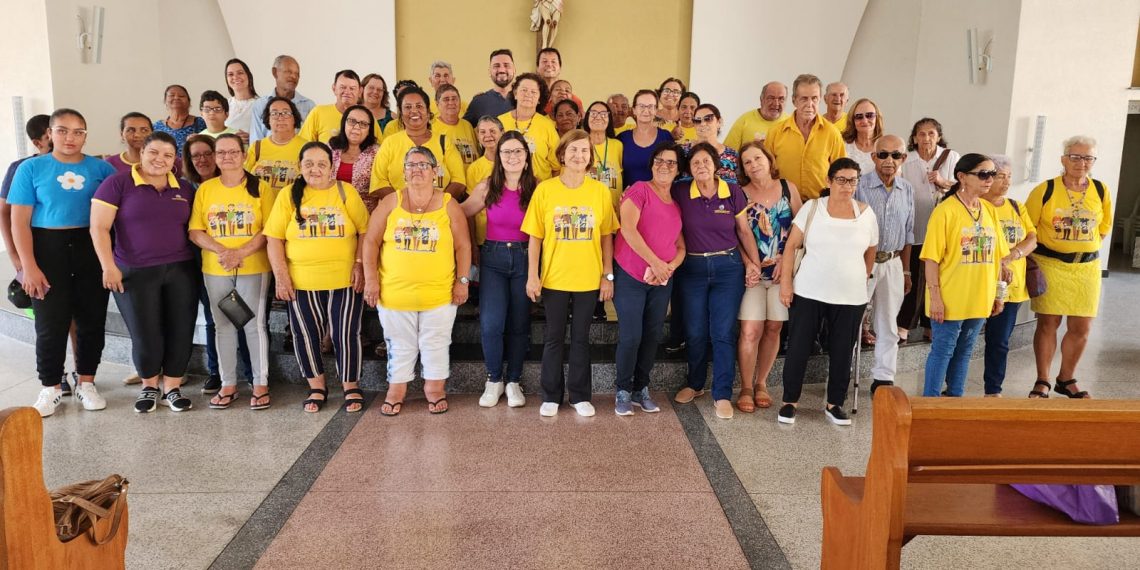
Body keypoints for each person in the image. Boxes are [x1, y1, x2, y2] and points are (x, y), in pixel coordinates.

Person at [9, 109, 115, 417]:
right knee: (50, 322)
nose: (71, 138)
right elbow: (19, 222)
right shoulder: (31, 169)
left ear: (86, 135)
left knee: (91, 319)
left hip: (90, 248)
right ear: (49, 134)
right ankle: (51, 387)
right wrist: (27, 265)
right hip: (47, 248)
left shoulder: (102, 169)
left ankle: (87, 382)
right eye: (63, 131)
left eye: (78, 131)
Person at [90, 131, 198, 413]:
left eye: (167, 155)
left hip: (180, 269)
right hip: (134, 270)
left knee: (180, 328)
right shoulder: (118, 183)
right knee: (145, 331)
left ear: (175, 159)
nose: (159, 159)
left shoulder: (184, 189)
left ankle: (172, 388)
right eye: (153, 153)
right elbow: (99, 227)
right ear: (141, 153)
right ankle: (149, 386)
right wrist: (108, 266)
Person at [363, 146, 471, 415]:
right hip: (394, 293)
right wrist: (371, 280)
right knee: (399, 344)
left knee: (436, 342)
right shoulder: (391, 202)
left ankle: (434, 390)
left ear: (435, 172)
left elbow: (463, 247)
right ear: (404, 172)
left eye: (424, 165)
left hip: (439, 293)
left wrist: (463, 281)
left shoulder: (449, 204)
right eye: (411, 165)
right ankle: (396, 390)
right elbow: (371, 242)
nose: (417, 170)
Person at [264, 142, 369, 413]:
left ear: (332, 167)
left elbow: (365, 232)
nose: (315, 169)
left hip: (344, 279)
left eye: (322, 163)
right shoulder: (288, 195)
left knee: (345, 333)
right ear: (300, 166)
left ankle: (350, 386)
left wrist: (359, 265)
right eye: (309, 163)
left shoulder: (346, 192)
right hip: (301, 281)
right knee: (304, 334)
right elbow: (274, 239)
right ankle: (317, 387)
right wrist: (281, 276)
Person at [523, 130, 619, 417]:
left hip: (588, 279)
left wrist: (607, 275)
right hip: (554, 278)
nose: (579, 156)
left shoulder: (599, 191)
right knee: (553, 337)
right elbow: (535, 238)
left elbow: (606, 237)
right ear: (562, 154)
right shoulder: (545, 190)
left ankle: (579, 396)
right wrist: (532, 275)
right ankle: (551, 395)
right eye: (574, 150)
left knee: (580, 337)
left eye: (585, 151)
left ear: (591, 157)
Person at [777, 158, 878, 425]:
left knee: (843, 350)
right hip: (809, 291)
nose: (847, 186)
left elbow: (871, 250)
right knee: (799, 347)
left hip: (850, 295)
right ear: (829, 181)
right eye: (842, 180)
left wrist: (862, 277)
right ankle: (789, 401)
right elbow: (791, 247)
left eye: (853, 180)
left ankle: (835, 403)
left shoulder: (866, 213)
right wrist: (786, 284)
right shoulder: (812, 208)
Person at [671, 142, 763, 421]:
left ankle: (722, 393)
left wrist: (754, 263)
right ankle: (696, 384)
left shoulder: (732, 191)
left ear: (716, 165)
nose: (701, 167)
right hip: (692, 269)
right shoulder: (680, 191)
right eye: (695, 163)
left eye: (705, 162)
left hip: (727, 268)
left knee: (722, 332)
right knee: (696, 331)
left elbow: (744, 232)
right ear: (689, 168)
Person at [188, 134, 274, 410]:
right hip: (216, 268)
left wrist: (241, 252)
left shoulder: (260, 188)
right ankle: (228, 384)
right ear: (215, 156)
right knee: (223, 326)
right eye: (221, 152)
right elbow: (195, 231)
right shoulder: (206, 189)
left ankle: (260, 385)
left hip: (254, 267)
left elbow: (269, 231)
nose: (227, 157)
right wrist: (223, 252)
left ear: (244, 155)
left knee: (253, 324)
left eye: (233, 151)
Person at [1025, 136, 1111, 399]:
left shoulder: (1100, 190)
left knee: (1081, 327)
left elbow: (1104, 225)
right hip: (1050, 264)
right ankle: (1043, 380)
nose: (1081, 162)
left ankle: (1066, 378)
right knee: (1048, 323)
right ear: (1063, 159)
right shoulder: (1045, 189)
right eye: (1075, 156)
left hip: (1086, 269)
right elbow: (1028, 227)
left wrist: (1081, 246)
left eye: (1087, 158)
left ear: (1093, 162)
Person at [921, 154, 1009, 397]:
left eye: (992, 174)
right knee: (943, 351)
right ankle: (931, 403)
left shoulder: (989, 210)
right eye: (983, 174)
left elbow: (998, 259)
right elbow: (931, 259)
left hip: (980, 297)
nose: (990, 179)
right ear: (962, 177)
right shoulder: (945, 211)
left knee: (965, 351)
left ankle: (955, 400)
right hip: (950, 297)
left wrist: (998, 294)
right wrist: (935, 297)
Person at [612, 142, 685, 416]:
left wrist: (669, 267)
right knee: (631, 336)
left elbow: (681, 246)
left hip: (661, 281)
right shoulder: (639, 189)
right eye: (660, 161)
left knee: (652, 335)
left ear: (678, 170)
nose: (664, 166)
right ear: (652, 164)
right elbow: (628, 230)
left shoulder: (676, 205)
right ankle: (622, 389)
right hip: (631, 276)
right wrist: (656, 262)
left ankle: (640, 389)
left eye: (671, 162)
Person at [463, 132, 535, 408]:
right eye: (506, 152)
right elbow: (461, 212)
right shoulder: (487, 186)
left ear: (526, 157)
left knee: (519, 324)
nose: (512, 157)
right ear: (499, 156)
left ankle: (514, 381)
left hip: (525, 258)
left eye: (517, 151)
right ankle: (494, 379)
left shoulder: (536, 188)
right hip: (492, 257)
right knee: (491, 323)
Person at [735, 142, 801, 413]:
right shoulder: (738, 193)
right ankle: (746, 387)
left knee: (774, 327)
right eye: (747, 162)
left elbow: (801, 228)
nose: (754, 165)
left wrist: (787, 264)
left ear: (769, 160)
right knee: (751, 329)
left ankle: (761, 383)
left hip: (781, 274)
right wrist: (748, 262)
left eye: (758, 158)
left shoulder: (788, 188)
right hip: (751, 274)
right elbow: (735, 234)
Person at [854, 135, 914, 395]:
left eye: (896, 155)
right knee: (852, 319)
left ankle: (883, 377)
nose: (889, 160)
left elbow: (909, 232)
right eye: (883, 154)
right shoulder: (860, 185)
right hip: (861, 263)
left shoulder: (907, 189)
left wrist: (907, 269)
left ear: (904, 158)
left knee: (888, 322)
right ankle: (844, 372)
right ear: (873, 157)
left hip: (893, 262)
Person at [898, 118, 959, 342]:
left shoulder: (951, 157)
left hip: (943, 228)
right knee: (913, 277)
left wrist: (943, 181)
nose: (926, 138)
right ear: (914, 138)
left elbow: (962, 187)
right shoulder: (907, 160)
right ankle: (904, 324)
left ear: (939, 136)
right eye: (921, 134)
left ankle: (930, 324)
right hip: (915, 225)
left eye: (931, 134)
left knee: (938, 279)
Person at [982, 155, 1036, 397]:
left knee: (1000, 341)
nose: (1005, 182)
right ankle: (953, 388)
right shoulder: (977, 205)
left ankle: (993, 390)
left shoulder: (1016, 206)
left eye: (1008, 177)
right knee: (962, 339)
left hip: (1011, 285)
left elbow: (1032, 238)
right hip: (979, 282)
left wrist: (1013, 255)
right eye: (1000, 176)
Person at [371, 85, 467, 199]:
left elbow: (459, 180)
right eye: (407, 107)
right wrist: (403, 204)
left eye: (419, 106)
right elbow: (378, 182)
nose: (414, 111)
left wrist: (437, 203)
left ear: (428, 111)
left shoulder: (444, 142)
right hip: (399, 213)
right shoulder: (390, 143)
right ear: (401, 113)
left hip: (439, 212)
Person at [764, 74, 847, 200]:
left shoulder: (832, 133)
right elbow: (767, 172)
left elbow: (841, 173)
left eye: (814, 98)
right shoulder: (775, 132)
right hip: (783, 204)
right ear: (794, 100)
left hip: (820, 205)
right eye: (804, 99)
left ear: (820, 99)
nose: (810, 104)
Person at [498, 73, 561, 181]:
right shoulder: (500, 122)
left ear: (540, 98)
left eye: (533, 92)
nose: (528, 95)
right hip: (506, 188)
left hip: (539, 190)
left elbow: (557, 167)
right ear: (515, 93)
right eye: (524, 90)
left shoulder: (547, 125)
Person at [244, 96, 307, 199]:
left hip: (291, 208)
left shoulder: (306, 148)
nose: (280, 117)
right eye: (274, 113)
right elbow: (244, 178)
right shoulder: (257, 147)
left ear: (294, 118)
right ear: (268, 119)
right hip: (261, 207)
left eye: (286, 113)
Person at [249, 55, 315, 143]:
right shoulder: (260, 105)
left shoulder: (309, 106)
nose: (293, 76)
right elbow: (256, 141)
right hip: (268, 156)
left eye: (297, 74)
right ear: (275, 72)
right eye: (288, 71)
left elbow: (314, 141)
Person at [330, 105, 381, 211]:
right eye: (352, 121)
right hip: (332, 213)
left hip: (364, 216)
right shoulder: (330, 148)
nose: (357, 127)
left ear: (369, 130)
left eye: (363, 124)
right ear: (344, 124)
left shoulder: (377, 153)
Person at [617, 89, 674, 185]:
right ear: (634, 110)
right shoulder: (622, 138)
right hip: (629, 197)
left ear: (656, 110)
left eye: (650, 106)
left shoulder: (666, 137)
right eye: (641, 106)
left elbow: (673, 170)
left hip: (658, 196)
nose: (646, 110)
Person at [466, 116, 505, 249]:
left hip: (511, 237)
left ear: (502, 132)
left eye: (492, 131)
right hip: (484, 239)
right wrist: (472, 244)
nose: (488, 136)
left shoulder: (514, 162)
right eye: (482, 132)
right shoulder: (474, 168)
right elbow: (470, 210)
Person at [678, 104, 739, 185]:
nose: (702, 124)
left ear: (719, 122)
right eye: (697, 120)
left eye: (708, 119)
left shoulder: (733, 155)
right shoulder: (681, 152)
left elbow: (741, 186)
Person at [299, 70, 362, 144]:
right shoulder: (318, 112)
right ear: (334, 88)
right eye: (343, 87)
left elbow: (378, 150)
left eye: (352, 88)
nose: (347, 92)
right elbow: (302, 145)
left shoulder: (367, 117)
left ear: (360, 91)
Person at [581, 101, 623, 205]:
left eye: (604, 114)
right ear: (587, 118)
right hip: (588, 209)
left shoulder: (618, 145)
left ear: (609, 119)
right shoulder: (579, 145)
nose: (598, 117)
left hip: (614, 210)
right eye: (594, 113)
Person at [724, 82, 788, 151]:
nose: (776, 103)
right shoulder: (745, 120)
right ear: (761, 100)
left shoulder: (791, 123)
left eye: (781, 99)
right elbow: (727, 155)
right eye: (771, 98)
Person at [463, 49, 516, 126]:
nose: (501, 70)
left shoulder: (525, 100)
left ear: (514, 70)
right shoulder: (478, 102)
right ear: (489, 71)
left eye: (506, 65)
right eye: (496, 66)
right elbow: (463, 130)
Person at [153, 85, 206, 157]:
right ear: (165, 101)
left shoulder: (201, 123)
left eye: (181, 96)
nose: (176, 98)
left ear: (189, 102)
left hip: (192, 167)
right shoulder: (157, 127)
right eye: (171, 95)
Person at [433, 84, 479, 167]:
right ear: (437, 104)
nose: (451, 102)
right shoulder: (431, 128)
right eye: (446, 99)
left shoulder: (467, 126)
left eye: (454, 99)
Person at [842, 98, 883, 173]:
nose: (864, 120)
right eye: (859, 116)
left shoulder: (885, 147)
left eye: (870, 115)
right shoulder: (842, 145)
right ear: (852, 121)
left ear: (877, 118)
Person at [535, 47, 583, 113]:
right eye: (544, 61)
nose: (549, 64)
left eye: (553, 61)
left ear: (560, 68)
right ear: (537, 68)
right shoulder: (531, 97)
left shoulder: (573, 100)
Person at [223, 58, 259, 144]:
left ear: (248, 76)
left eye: (240, 73)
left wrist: (252, 137)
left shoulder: (261, 104)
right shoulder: (223, 105)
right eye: (230, 74)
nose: (235, 77)